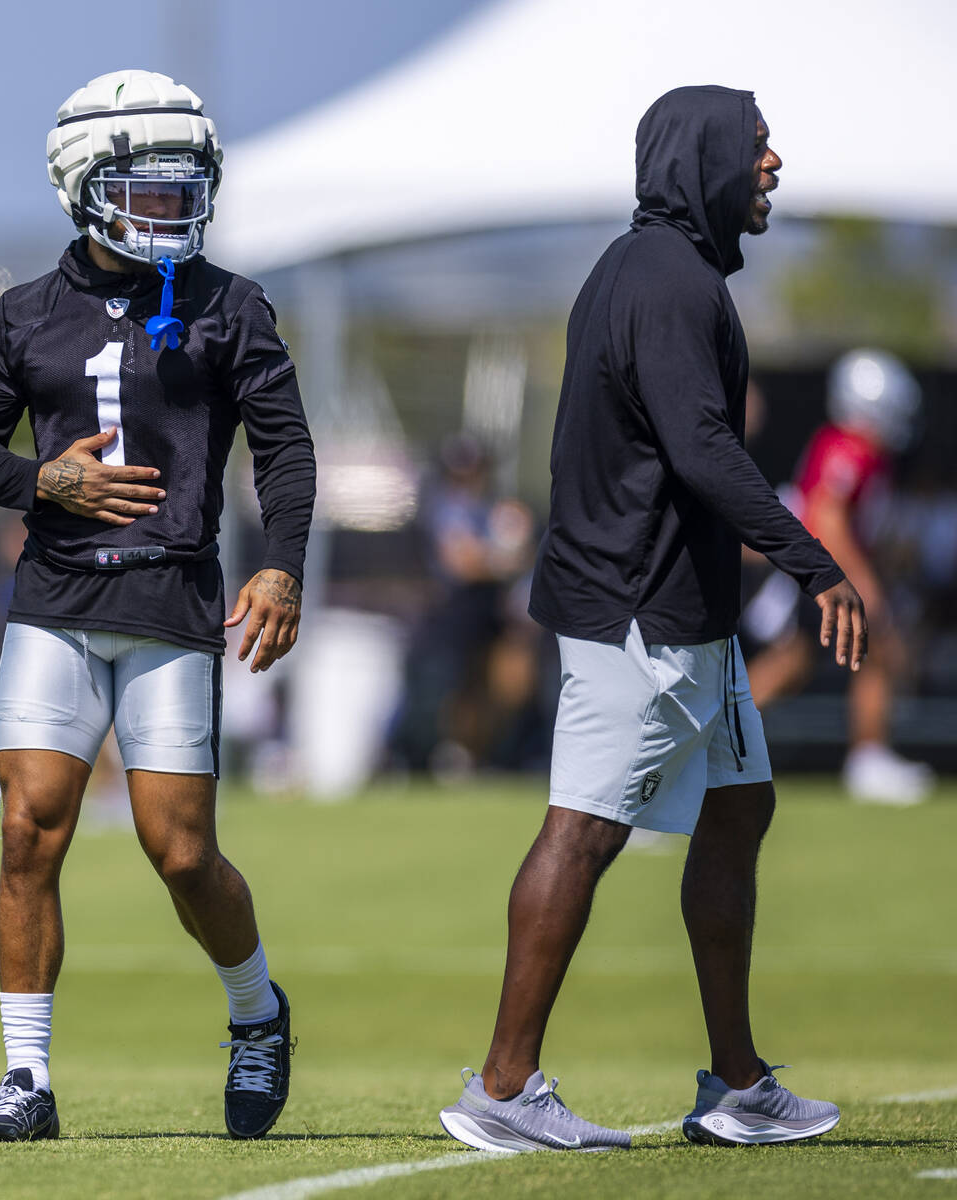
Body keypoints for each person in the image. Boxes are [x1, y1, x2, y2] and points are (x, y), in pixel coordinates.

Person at [439, 85, 866, 1153]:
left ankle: (733, 1082)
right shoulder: (667, 280)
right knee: (584, 826)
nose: (772, 165)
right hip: (641, 610)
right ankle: (502, 1087)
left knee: (738, 807)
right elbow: (703, 452)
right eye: (757, 148)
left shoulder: (657, 270)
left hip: (688, 616)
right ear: (707, 159)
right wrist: (816, 565)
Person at [0, 70, 315, 1143]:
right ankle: (25, 1078)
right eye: (147, 191)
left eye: (183, 188)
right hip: (55, 598)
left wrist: (280, 563)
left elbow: (286, 451)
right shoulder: (25, 313)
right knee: (28, 832)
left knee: (180, 850)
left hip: (170, 594)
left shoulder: (230, 304)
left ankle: (257, 1013)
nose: (171, 209)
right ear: (83, 188)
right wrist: (43, 481)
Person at [744, 349, 933, 804]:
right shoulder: (846, 446)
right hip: (812, 574)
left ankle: (868, 757)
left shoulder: (869, 455)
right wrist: (863, 582)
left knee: (801, 663)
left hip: (819, 573)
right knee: (798, 662)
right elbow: (826, 518)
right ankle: (867, 757)